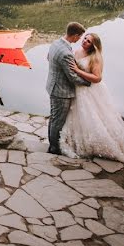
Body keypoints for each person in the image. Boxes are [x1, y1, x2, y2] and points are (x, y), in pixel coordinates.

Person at [60, 33, 124, 164]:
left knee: (93, 116)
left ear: (93, 46)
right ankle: (77, 142)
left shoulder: (95, 58)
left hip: (90, 90)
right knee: (77, 116)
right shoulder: (77, 51)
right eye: (84, 38)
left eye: (88, 41)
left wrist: (79, 72)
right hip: (78, 88)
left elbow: (97, 78)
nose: (84, 41)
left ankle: (103, 144)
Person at [45, 22, 89, 155]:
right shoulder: (65, 52)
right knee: (57, 121)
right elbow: (72, 78)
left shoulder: (55, 43)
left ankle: (52, 144)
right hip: (61, 92)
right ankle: (54, 148)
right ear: (75, 35)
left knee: (53, 118)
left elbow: (48, 57)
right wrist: (88, 83)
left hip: (52, 85)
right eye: (80, 36)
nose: (80, 39)